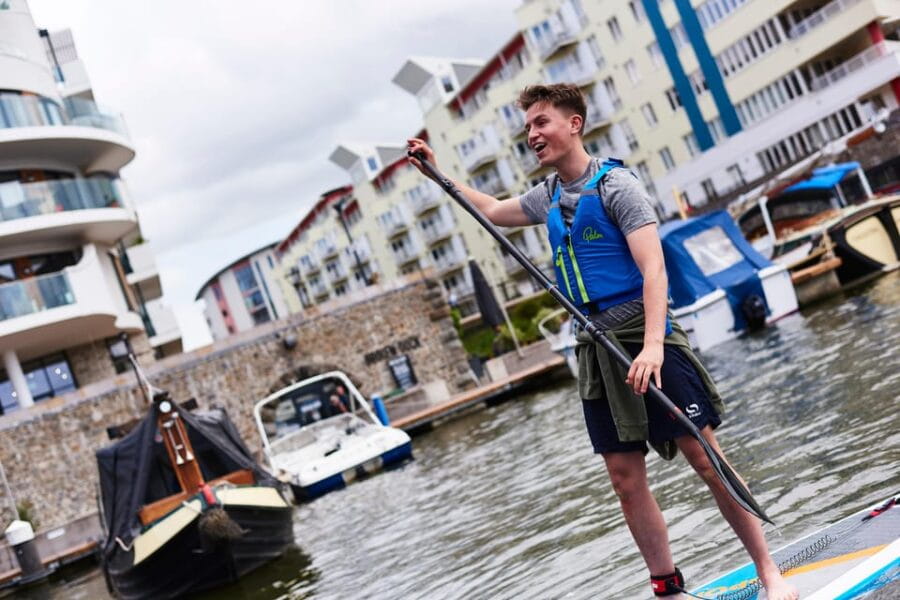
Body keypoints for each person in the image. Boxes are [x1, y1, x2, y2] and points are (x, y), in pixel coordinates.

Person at [407, 83, 797, 600]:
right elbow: (494, 210)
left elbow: (654, 270)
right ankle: (669, 589)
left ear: (574, 124)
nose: (532, 134)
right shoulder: (546, 196)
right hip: (594, 344)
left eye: (541, 122)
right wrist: (438, 174)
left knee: (704, 456)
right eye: (527, 127)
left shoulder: (617, 187)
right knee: (623, 477)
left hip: (644, 332)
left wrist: (654, 347)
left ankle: (769, 571)